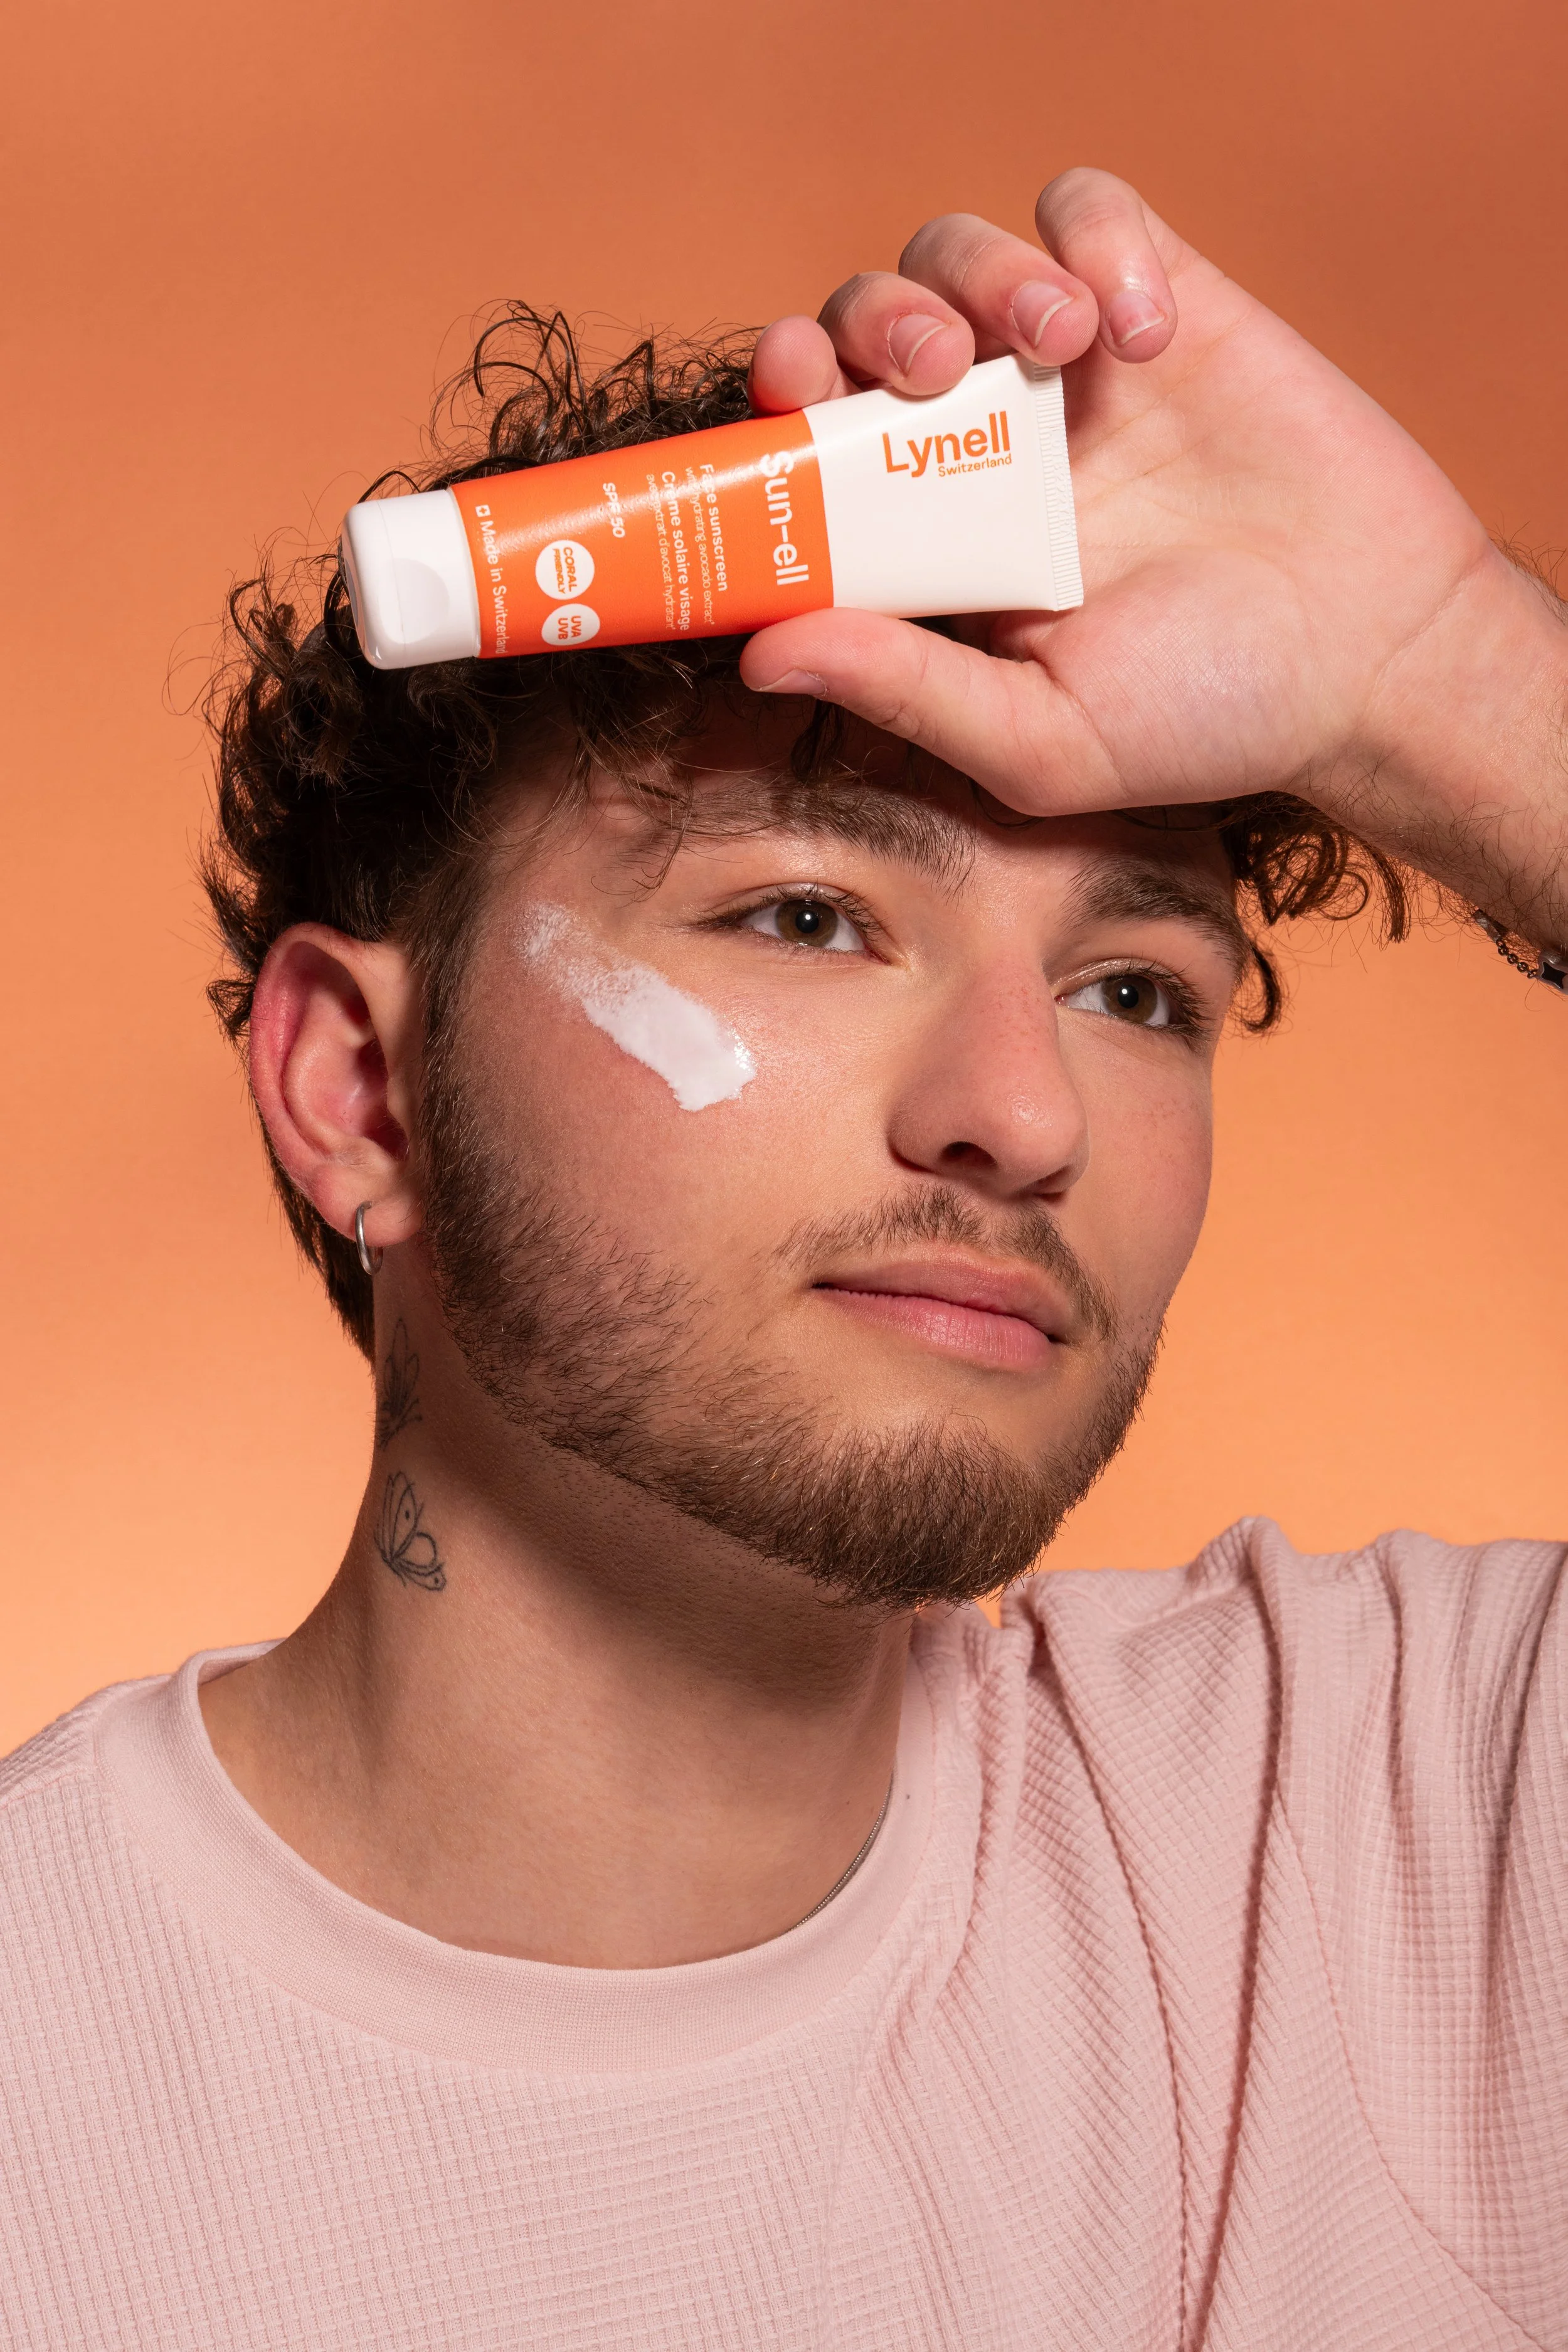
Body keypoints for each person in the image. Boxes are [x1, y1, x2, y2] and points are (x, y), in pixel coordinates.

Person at [1, 167, 1562, 2351]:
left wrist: (1456, 678)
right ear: (357, 1092)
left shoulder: (1410, 1850)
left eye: (1135, 992)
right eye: (808, 917)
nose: (1017, 1117)